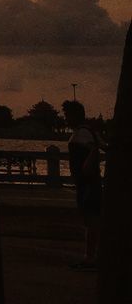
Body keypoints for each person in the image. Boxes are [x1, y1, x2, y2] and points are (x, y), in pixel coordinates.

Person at [65, 102, 102, 269]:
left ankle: (90, 257)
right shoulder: (88, 132)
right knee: (90, 218)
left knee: (91, 219)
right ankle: (92, 255)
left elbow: (94, 150)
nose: (65, 119)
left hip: (87, 183)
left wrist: (86, 170)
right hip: (88, 182)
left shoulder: (82, 134)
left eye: (67, 115)